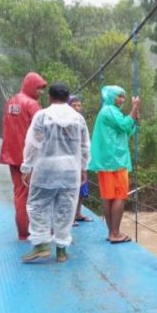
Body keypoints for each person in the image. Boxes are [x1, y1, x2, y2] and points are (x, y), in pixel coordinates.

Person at [20, 83, 90, 263]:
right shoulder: (78, 118)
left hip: (46, 169)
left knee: (37, 205)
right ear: (67, 98)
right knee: (66, 208)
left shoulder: (42, 116)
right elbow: (84, 146)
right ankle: (61, 250)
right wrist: (83, 168)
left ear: (50, 97)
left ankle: (42, 244)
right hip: (70, 170)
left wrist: (27, 167)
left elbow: (32, 144)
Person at [88, 85, 140, 244]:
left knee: (107, 197)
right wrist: (135, 107)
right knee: (119, 196)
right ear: (111, 96)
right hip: (115, 161)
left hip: (106, 162)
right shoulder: (110, 110)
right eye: (119, 96)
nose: (122, 100)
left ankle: (111, 232)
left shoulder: (108, 112)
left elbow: (126, 130)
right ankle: (115, 233)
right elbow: (125, 125)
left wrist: (134, 118)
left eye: (123, 97)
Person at [0, 72, 47, 241]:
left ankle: (22, 232)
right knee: (33, 195)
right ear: (31, 86)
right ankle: (29, 231)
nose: (40, 92)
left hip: (11, 155)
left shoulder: (10, 101)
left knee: (19, 192)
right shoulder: (32, 105)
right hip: (29, 158)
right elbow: (42, 133)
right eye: (39, 88)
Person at [68, 95, 93, 226]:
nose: (77, 108)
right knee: (71, 190)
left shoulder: (81, 119)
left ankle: (78, 214)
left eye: (79, 105)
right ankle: (69, 218)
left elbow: (85, 142)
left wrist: (85, 162)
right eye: (74, 105)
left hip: (80, 160)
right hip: (68, 162)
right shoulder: (63, 119)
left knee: (82, 190)